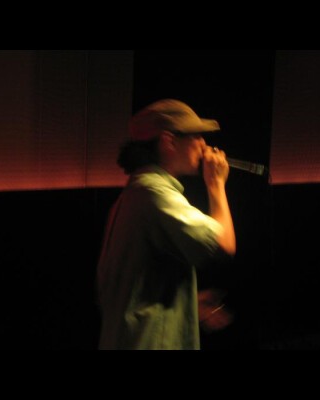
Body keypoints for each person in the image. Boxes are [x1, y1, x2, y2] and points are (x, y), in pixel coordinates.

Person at [96, 99, 236, 350]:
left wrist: (187, 302)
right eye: (196, 136)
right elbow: (224, 244)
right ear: (169, 141)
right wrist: (216, 184)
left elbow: (130, 286)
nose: (204, 145)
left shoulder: (134, 194)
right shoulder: (155, 195)